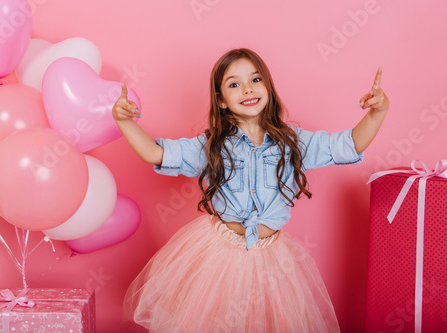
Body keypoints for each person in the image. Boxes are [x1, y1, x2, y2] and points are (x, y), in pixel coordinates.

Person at [115, 48, 389, 332]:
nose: (247, 89)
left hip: (273, 258)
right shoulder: (210, 146)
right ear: (221, 100)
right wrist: (125, 121)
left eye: (255, 80)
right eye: (234, 84)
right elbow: (155, 153)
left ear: (267, 86)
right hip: (219, 255)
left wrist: (378, 111)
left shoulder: (293, 143)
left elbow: (350, 145)